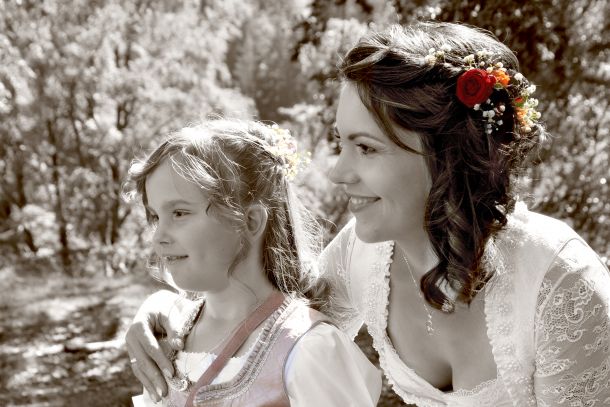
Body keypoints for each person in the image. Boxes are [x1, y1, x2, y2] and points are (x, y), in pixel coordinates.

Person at [126, 22, 610, 406]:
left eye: (366, 148)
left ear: (445, 155)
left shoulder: (560, 283)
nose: (338, 173)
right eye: (341, 142)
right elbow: (267, 316)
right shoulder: (363, 256)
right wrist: (163, 313)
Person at [123, 119, 381, 406]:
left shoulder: (308, 351)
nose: (159, 237)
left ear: (250, 221)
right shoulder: (166, 336)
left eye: (180, 213)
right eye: (155, 216)